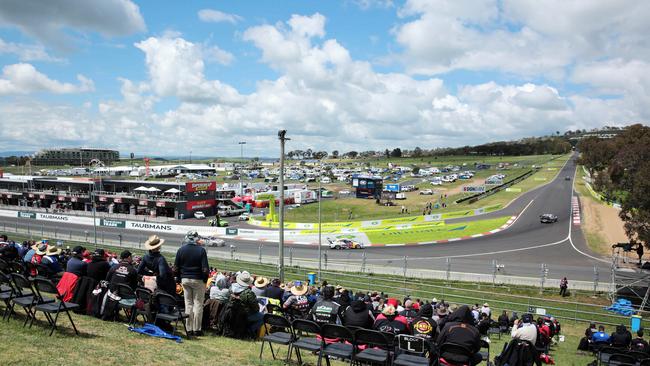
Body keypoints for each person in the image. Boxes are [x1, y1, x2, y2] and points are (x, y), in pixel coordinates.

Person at [174, 231, 209, 337]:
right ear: (196, 239)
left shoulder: (181, 250)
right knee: (198, 304)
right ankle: (197, 329)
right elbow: (205, 269)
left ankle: (188, 329)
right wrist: (204, 280)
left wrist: (180, 278)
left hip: (185, 279)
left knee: (188, 304)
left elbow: (175, 268)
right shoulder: (201, 250)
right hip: (198, 279)